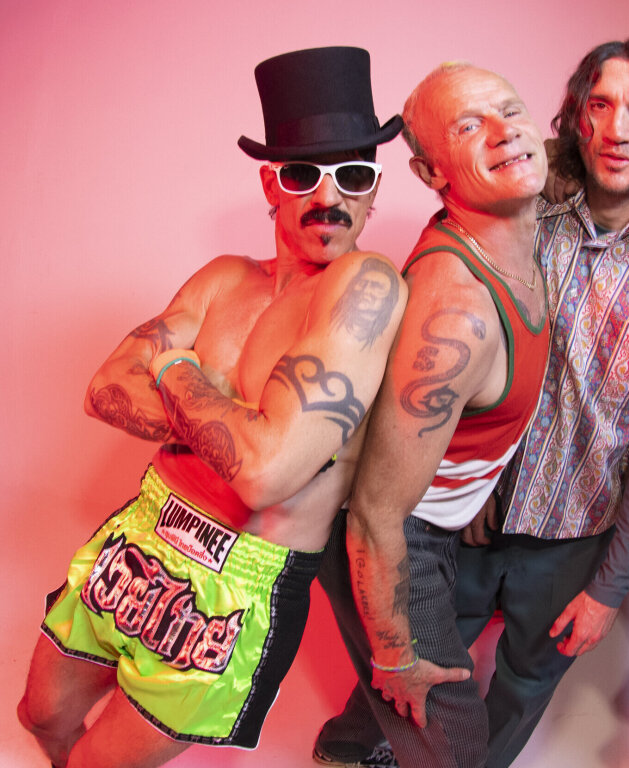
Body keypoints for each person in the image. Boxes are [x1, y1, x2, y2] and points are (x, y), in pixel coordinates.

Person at [16, 46, 406, 768]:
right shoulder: (226, 278)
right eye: (303, 174)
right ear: (271, 182)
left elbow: (263, 477)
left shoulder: (363, 287)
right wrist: (238, 425)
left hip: (240, 578)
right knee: (40, 714)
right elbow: (105, 387)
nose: (329, 198)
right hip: (142, 529)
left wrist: (173, 367)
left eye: (354, 175)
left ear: (374, 187)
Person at [450, 39, 629, 768]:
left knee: (523, 684)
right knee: (427, 654)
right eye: (600, 105)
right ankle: (381, 747)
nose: (617, 129)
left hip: (574, 533)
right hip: (473, 504)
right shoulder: (529, 207)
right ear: (578, 118)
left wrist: (610, 586)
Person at [313, 62, 551, 768]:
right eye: (469, 127)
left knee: (401, 714)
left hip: (434, 520)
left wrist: (475, 487)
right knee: (454, 748)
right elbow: (375, 515)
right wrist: (394, 654)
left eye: (511, 110)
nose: (504, 134)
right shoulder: (460, 314)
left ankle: (346, 751)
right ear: (430, 172)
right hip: (391, 539)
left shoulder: (513, 235)